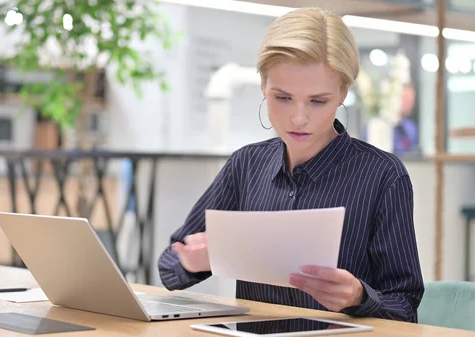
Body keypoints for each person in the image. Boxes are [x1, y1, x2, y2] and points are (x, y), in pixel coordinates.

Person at [157, 7, 424, 323]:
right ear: (263, 87)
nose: (298, 118)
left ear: (343, 92)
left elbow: (405, 307)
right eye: (282, 98)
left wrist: (359, 297)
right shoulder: (246, 165)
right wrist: (194, 261)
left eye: (317, 101)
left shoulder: (382, 176)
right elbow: (169, 266)